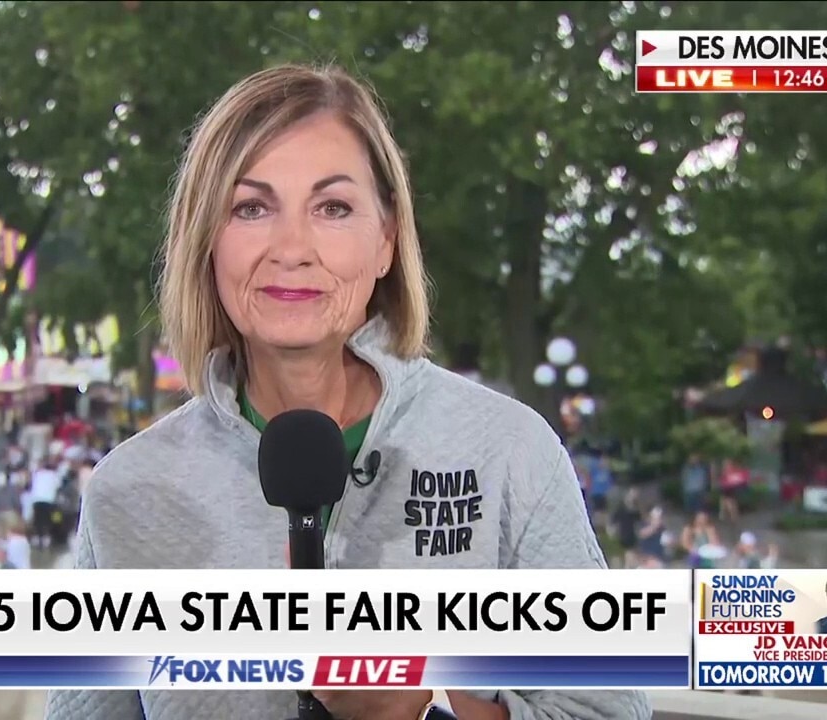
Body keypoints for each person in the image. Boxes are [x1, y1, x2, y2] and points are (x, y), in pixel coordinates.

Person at [44, 63, 650, 720]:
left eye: (333, 208)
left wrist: (420, 709)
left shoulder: (508, 452)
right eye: (251, 207)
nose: (292, 248)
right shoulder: (126, 492)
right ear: (206, 241)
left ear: (387, 238)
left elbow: (607, 709)